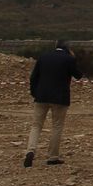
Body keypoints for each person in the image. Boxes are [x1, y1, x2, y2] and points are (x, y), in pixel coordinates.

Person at [24, 39, 80, 167]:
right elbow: (78, 75)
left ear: (56, 46)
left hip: (41, 96)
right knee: (57, 126)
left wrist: (35, 93)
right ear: (67, 48)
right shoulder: (68, 59)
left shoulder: (43, 57)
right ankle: (52, 156)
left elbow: (33, 77)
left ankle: (30, 150)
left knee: (36, 126)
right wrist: (73, 58)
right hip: (60, 98)